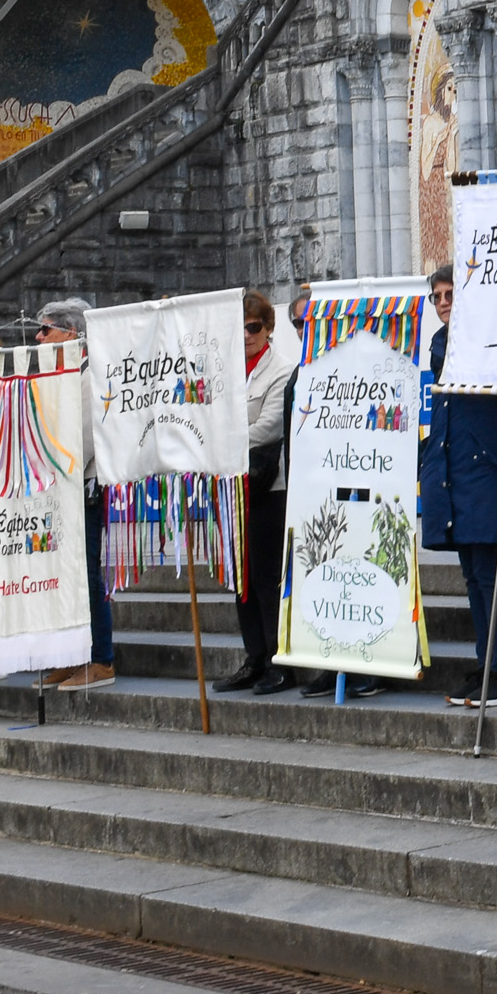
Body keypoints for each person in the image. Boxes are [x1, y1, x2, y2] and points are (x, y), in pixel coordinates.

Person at [420, 269, 497, 709]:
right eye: (437, 296)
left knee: (491, 576)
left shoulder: (489, 338)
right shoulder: (440, 344)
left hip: (484, 467)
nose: (443, 302)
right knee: (473, 576)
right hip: (453, 470)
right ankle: (486, 660)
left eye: (451, 294)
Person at [31, 300, 115, 690]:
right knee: (63, 577)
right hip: (56, 488)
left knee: (88, 575)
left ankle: (101, 658)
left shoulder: (90, 376)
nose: (39, 336)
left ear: (72, 333)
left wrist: (54, 472)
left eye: (46, 329)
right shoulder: (54, 375)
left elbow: (83, 439)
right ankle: (71, 656)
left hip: (81, 487)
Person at [228, 291, 298, 695]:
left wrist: (223, 440)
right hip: (232, 486)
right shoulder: (227, 371)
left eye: (253, 327)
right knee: (240, 578)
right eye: (239, 328)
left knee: (266, 576)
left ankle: (278, 660)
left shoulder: (281, 370)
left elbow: (270, 426)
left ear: (268, 328)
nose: (246, 334)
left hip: (268, 485)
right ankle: (254, 656)